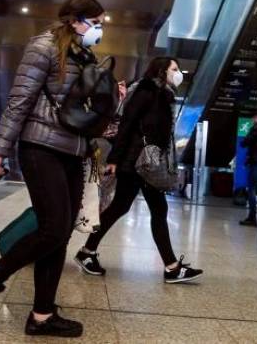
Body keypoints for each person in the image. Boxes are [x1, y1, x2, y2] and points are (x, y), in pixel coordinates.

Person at [0, 0, 107, 338]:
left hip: (73, 151)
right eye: (96, 22)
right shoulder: (43, 47)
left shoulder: (85, 53)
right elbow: (20, 100)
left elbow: (80, 107)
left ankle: (42, 315)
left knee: (60, 235)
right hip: (40, 145)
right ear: (76, 20)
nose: (100, 29)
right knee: (53, 229)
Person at [75, 57, 203, 284]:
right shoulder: (146, 91)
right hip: (138, 162)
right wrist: (114, 159)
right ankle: (171, 268)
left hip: (145, 162)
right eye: (174, 69)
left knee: (121, 207)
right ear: (162, 71)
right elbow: (127, 124)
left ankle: (87, 252)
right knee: (155, 209)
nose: (178, 73)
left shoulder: (163, 95)